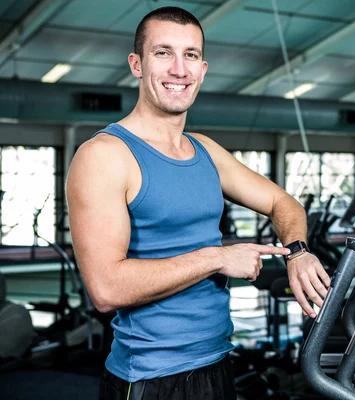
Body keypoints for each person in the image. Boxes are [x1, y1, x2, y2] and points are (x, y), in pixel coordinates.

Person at [65, 6, 330, 400]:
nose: (179, 69)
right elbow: (106, 288)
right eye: (163, 53)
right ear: (137, 64)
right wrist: (216, 258)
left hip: (218, 363)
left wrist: (298, 252)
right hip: (150, 379)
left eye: (190, 55)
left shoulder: (204, 150)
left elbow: (283, 202)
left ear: (203, 70)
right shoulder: (105, 155)